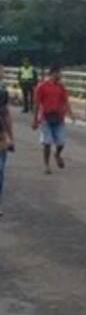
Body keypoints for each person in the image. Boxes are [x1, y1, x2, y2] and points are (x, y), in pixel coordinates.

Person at [32, 63, 73, 175]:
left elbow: (66, 101)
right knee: (47, 143)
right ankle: (46, 165)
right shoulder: (42, 86)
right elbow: (37, 104)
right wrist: (35, 120)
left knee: (61, 142)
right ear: (52, 73)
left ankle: (57, 154)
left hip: (59, 118)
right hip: (46, 118)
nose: (60, 75)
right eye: (59, 73)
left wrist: (70, 113)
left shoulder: (61, 87)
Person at [0, 80, 12, 217]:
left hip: (1, 135)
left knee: (0, 170)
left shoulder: (2, 90)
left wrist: (10, 136)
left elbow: (6, 115)